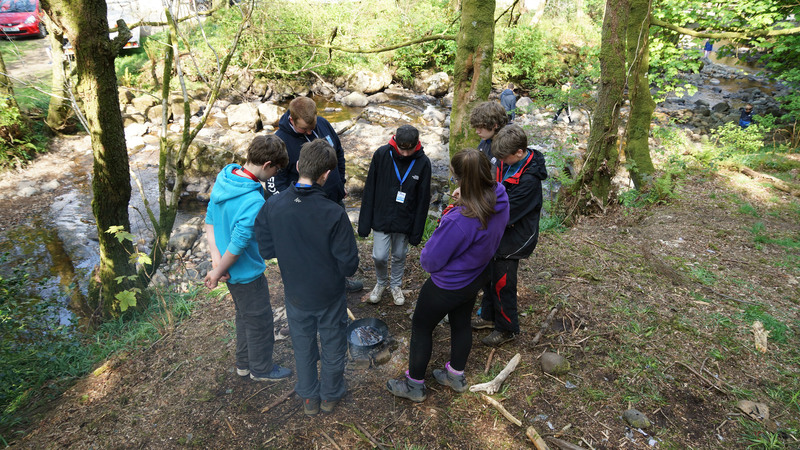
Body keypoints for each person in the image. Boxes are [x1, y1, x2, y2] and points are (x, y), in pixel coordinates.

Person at [386, 148, 510, 403]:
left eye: (456, 177)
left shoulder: (460, 220)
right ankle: (455, 375)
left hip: (448, 284)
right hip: (477, 275)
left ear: (462, 179)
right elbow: (481, 202)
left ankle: (414, 385)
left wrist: (454, 212)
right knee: (461, 321)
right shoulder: (500, 196)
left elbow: (429, 261)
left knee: (422, 327)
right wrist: (467, 195)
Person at [255, 139, 360, 416]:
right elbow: (349, 265)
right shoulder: (334, 213)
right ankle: (330, 395)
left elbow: (266, 249)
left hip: (296, 293)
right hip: (329, 294)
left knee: (302, 345)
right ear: (326, 175)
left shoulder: (273, 204)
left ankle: (309, 398)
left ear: (299, 165)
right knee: (333, 345)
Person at [203, 135, 292, 382]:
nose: (275, 175)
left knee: (244, 316)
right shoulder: (253, 200)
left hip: (227, 269)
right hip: (245, 273)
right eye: (275, 170)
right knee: (260, 321)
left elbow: (210, 218)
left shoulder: (227, 176)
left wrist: (216, 261)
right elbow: (238, 244)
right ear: (267, 165)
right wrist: (217, 270)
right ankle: (261, 369)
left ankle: (244, 364)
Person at [268, 96, 363, 293]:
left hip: (333, 200)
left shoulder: (323, 124)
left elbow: (338, 153)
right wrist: (293, 206)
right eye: (304, 129)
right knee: (314, 249)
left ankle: (340, 282)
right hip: (305, 209)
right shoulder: (280, 141)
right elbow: (276, 183)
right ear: (292, 120)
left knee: (337, 244)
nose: (310, 132)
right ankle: (314, 288)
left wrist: (340, 181)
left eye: (312, 127)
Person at [472, 124, 547, 347]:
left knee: (503, 280)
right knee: (489, 273)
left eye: (505, 158)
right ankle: (488, 315)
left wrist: (477, 209)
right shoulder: (508, 162)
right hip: (501, 227)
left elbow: (508, 211)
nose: (501, 162)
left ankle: (506, 328)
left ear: (519, 152)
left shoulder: (529, 180)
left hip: (518, 235)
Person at [358, 125, 432, 306]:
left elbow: (423, 200)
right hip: (381, 216)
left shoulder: (423, 163)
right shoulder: (382, 155)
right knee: (379, 256)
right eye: (401, 149)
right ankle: (381, 282)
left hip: (405, 218)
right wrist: (364, 223)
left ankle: (396, 285)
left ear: (417, 144)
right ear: (395, 141)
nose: (405, 154)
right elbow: (369, 189)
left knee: (399, 254)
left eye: (409, 150)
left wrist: (417, 232)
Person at [469, 101, 510, 167]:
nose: (477, 131)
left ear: (495, 125)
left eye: (481, 128)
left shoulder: (508, 147)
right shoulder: (486, 140)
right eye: (476, 127)